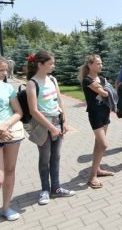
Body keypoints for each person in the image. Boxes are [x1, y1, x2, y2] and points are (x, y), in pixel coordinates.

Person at [26, 50, 75, 205]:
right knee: (45, 158)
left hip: (57, 123)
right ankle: (45, 190)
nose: (53, 66)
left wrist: (65, 121)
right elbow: (33, 110)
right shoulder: (32, 83)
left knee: (56, 156)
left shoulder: (53, 79)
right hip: (43, 127)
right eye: (50, 64)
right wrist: (51, 128)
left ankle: (56, 187)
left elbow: (60, 101)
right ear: (40, 64)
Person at [79, 54, 114, 189]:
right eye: (98, 63)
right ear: (90, 65)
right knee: (104, 144)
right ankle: (91, 177)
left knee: (98, 144)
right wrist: (106, 89)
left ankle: (98, 170)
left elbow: (106, 90)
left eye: (101, 63)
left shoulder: (101, 78)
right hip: (95, 115)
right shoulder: (87, 80)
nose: (101, 65)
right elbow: (105, 93)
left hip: (105, 112)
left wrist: (105, 88)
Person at [0, 57, 23, 221]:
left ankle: (6, 207)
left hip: (10, 134)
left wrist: (5, 125)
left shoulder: (8, 87)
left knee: (10, 171)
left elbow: (18, 111)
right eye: (1, 70)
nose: (5, 73)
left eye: (6, 70)